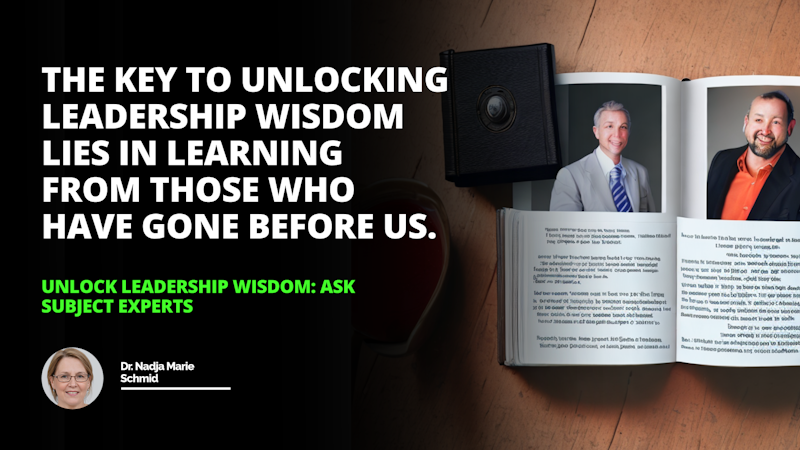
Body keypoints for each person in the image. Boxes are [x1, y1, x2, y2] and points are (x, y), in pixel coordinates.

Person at [707, 91, 799, 220]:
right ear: (746, 122)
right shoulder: (721, 160)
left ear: (790, 127)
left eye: (776, 122)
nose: (765, 131)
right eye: (758, 120)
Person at [550, 100, 655, 212]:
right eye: (609, 126)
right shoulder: (570, 176)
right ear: (596, 132)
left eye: (623, 127)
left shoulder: (640, 172)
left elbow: (649, 223)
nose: (617, 134)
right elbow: (564, 228)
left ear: (628, 132)